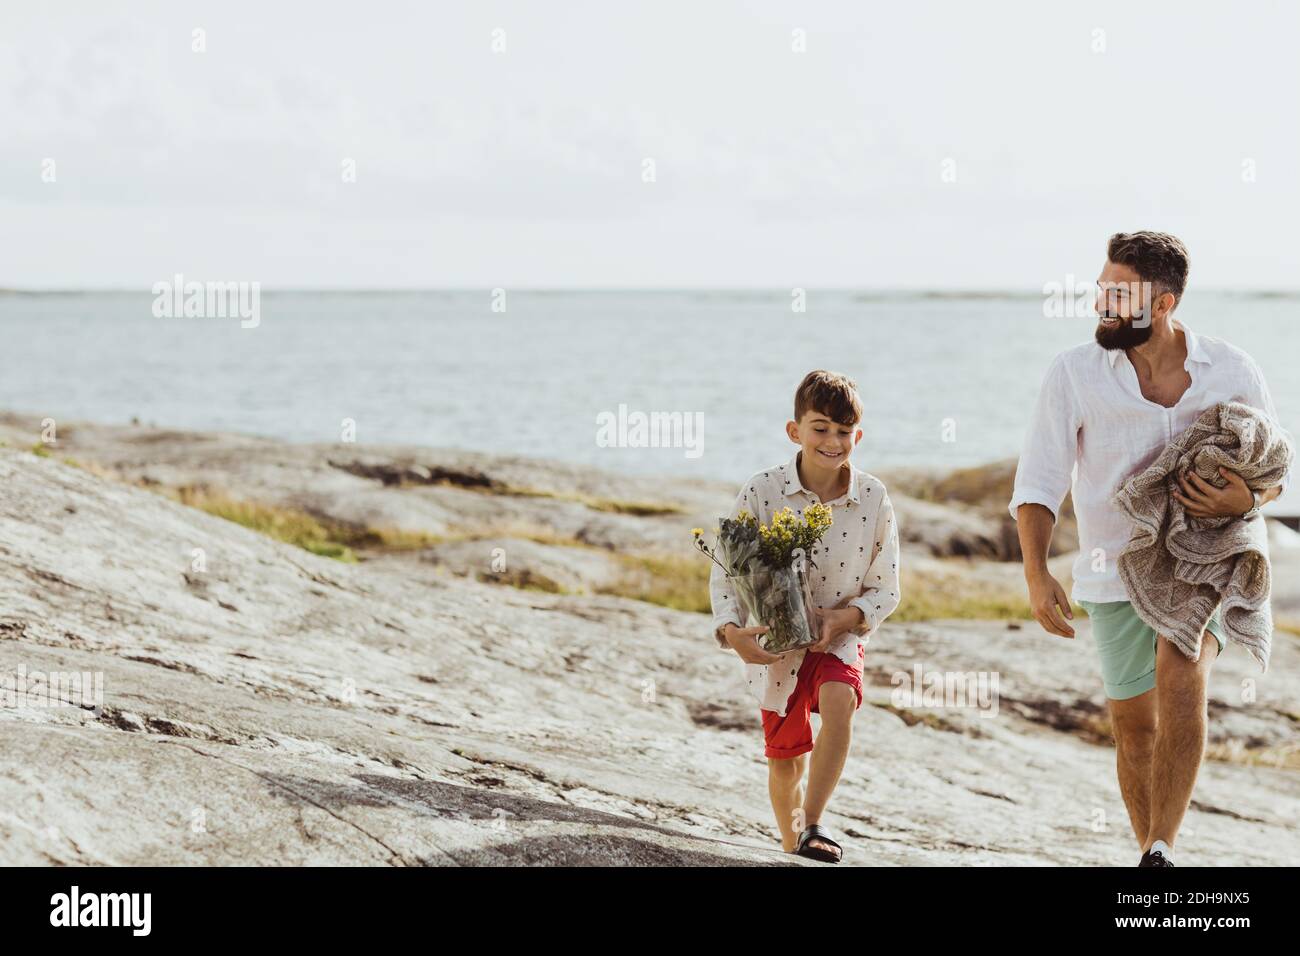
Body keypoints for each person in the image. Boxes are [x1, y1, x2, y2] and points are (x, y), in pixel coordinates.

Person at [1010, 231, 1289, 866]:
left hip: (1206, 556)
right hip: (1112, 569)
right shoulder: (1073, 373)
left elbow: (1275, 469)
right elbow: (1040, 480)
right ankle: (1151, 860)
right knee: (1135, 728)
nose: (1100, 304)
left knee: (1182, 677)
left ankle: (1164, 845)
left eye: (1116, 294)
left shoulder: (1233, 370)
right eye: (1100, 291)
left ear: (1161, 304)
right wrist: (1035, 572)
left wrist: (1242, 502)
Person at [710, 370, 901, 863]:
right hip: (775, 649)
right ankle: (791, 842)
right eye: (820, 428)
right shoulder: (762, 490)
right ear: (795, 431)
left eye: (844, 432)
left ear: (857, 436)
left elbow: (887, 588)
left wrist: (843, 620)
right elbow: (727, 574)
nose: (833, 441)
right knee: (785, 760)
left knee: (842, 701)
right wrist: (733, 633)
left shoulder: (874, 498)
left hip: (840, 636)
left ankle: (814, 823)